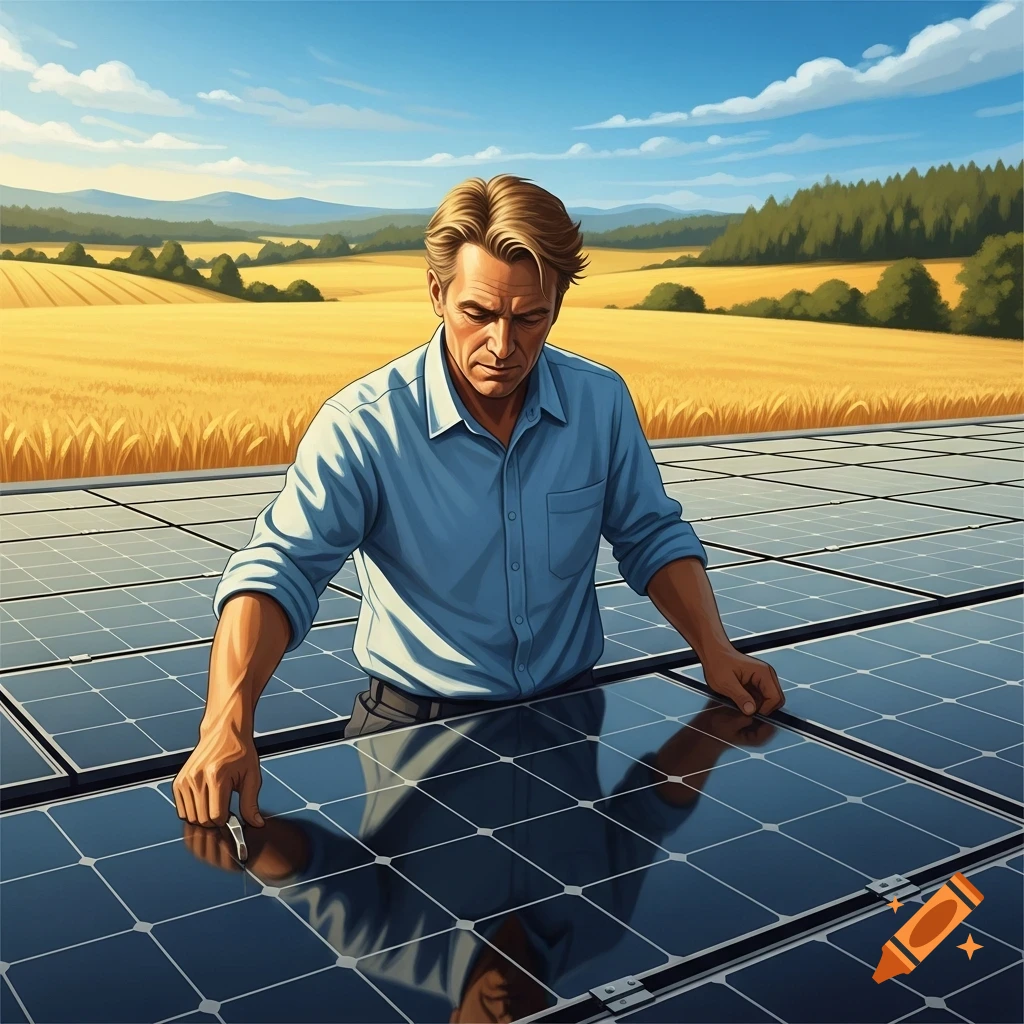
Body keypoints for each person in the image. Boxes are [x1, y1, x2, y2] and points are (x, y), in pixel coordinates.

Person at [172, 173, 784, 830]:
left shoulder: (600, 401)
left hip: (569, 719)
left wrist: (715, 650)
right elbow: (280, 569)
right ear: (436, 294)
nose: (502, 346)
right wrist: (225, 724)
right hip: (412, 737)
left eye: (529, 318)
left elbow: (650, 534)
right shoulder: (364, 426)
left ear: (558, 303)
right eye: (479, 314)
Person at [182, 685, 779, 1021]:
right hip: (559, 686)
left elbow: (310, 868)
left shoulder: (390, 947)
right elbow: (647, 810)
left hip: (423, 696)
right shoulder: (600, 926)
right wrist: (713, 731)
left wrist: (243, 842)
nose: (508, 1021)